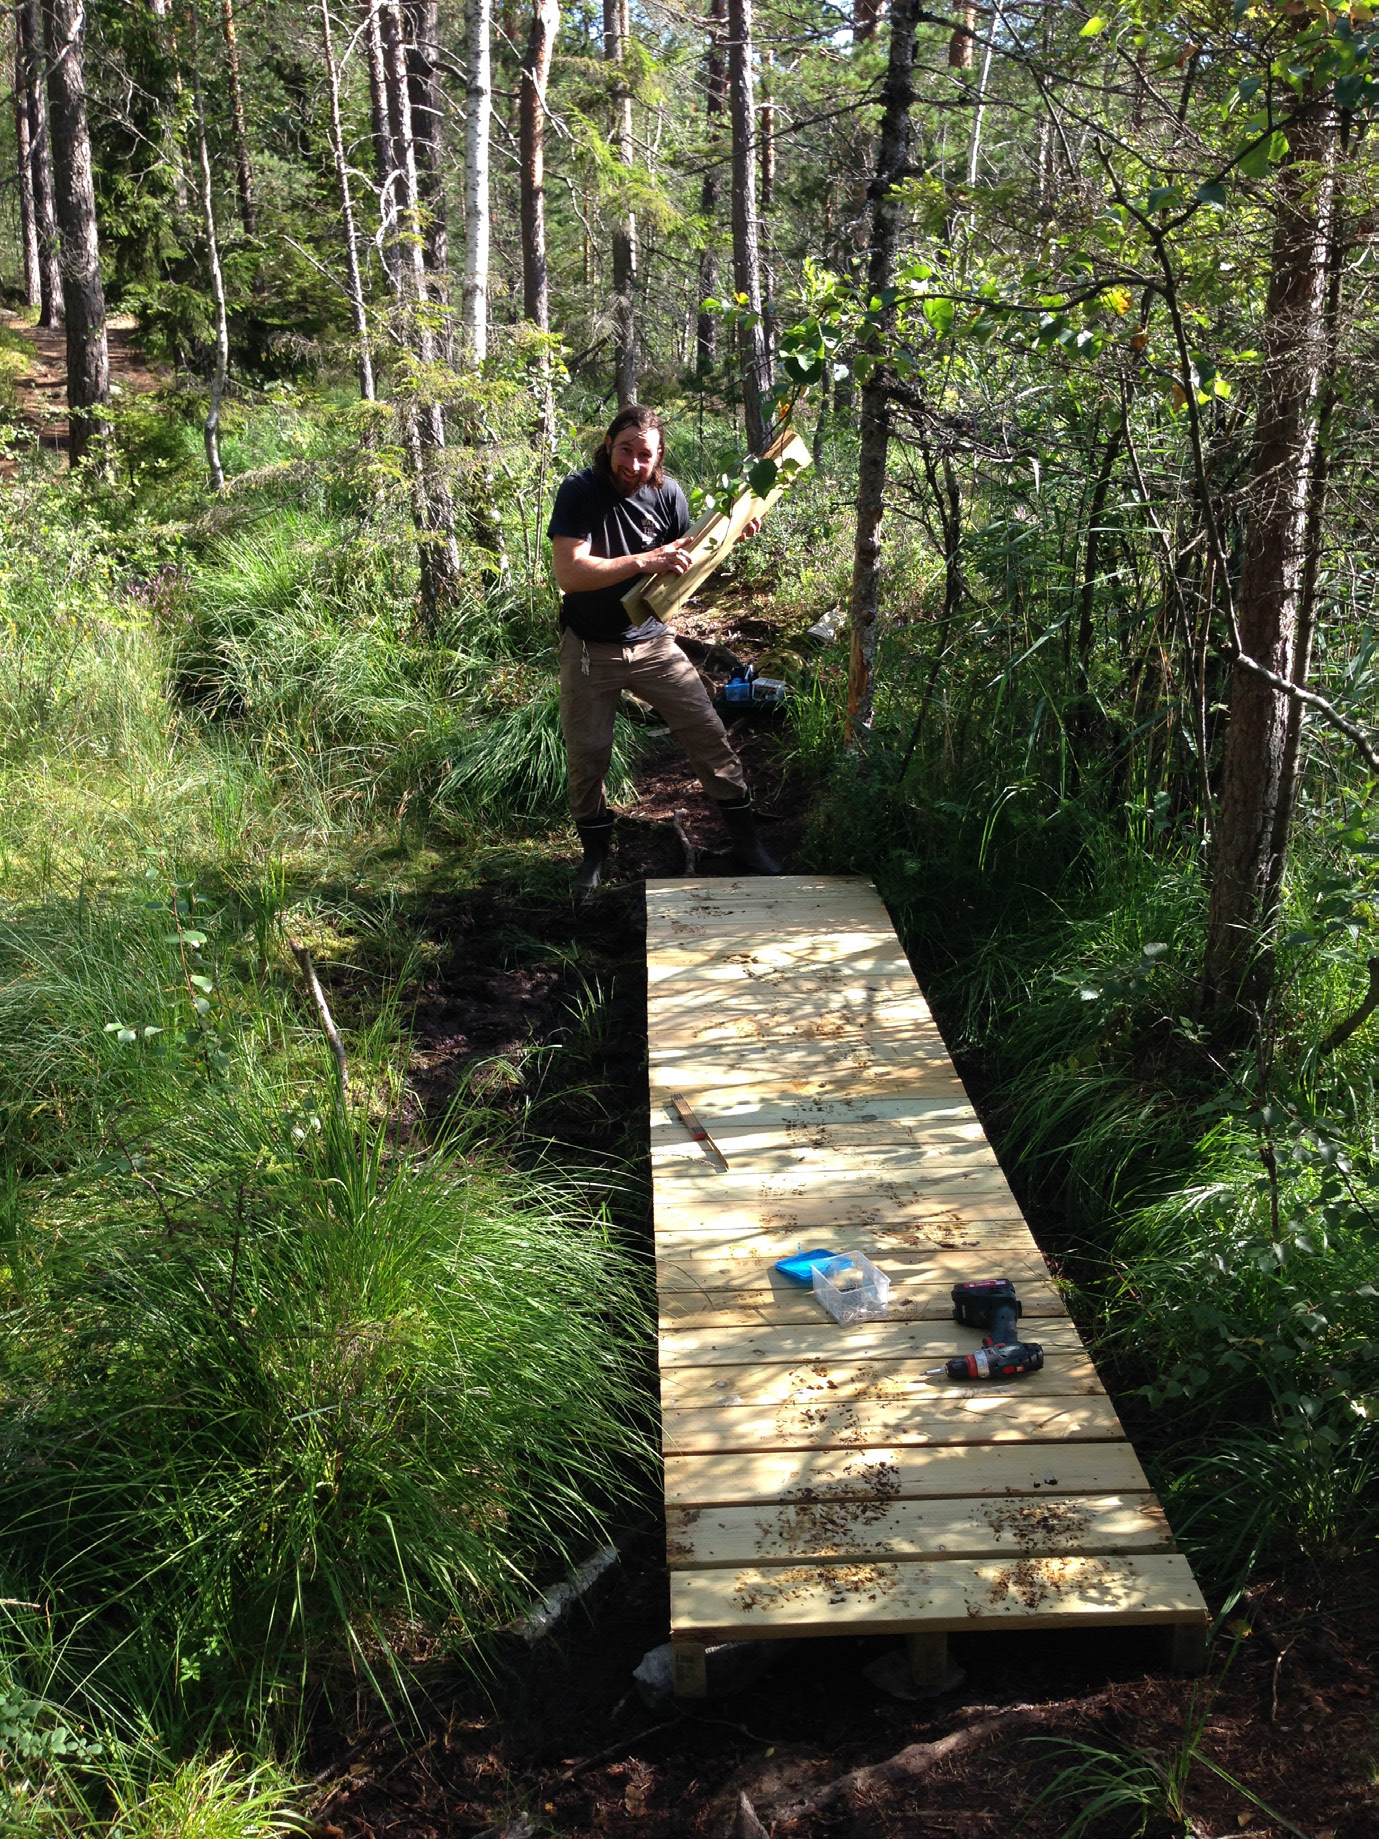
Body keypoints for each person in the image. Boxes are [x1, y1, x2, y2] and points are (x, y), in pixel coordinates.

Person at [548, 403, 781, 896]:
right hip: (590, 650)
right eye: (626, 451)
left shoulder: (667, 494)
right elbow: (569, 574)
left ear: (658, 457)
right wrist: (642, 560)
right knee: (588, 755)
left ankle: (747, 844)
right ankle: (594, 857)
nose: (633, 464)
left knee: (708, 735)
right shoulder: (580, 492)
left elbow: (683, 566)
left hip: (654, 644)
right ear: (609, 445)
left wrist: (730, 538)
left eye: (645, 455)